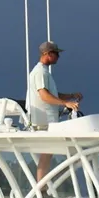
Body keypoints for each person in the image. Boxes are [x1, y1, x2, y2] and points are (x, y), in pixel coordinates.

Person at [25, 41, 83, 185]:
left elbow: (53, 94)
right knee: (47, 154)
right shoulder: (39, 72)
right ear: (47, 54)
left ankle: (44, 187)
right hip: (44, 121)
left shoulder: (44, 72)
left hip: (49, 121)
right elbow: (44, 96)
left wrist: (70, 95)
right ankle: (42, 189)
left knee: (48, 154)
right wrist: (65, 103)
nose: (58, 56)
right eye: (56, 53)